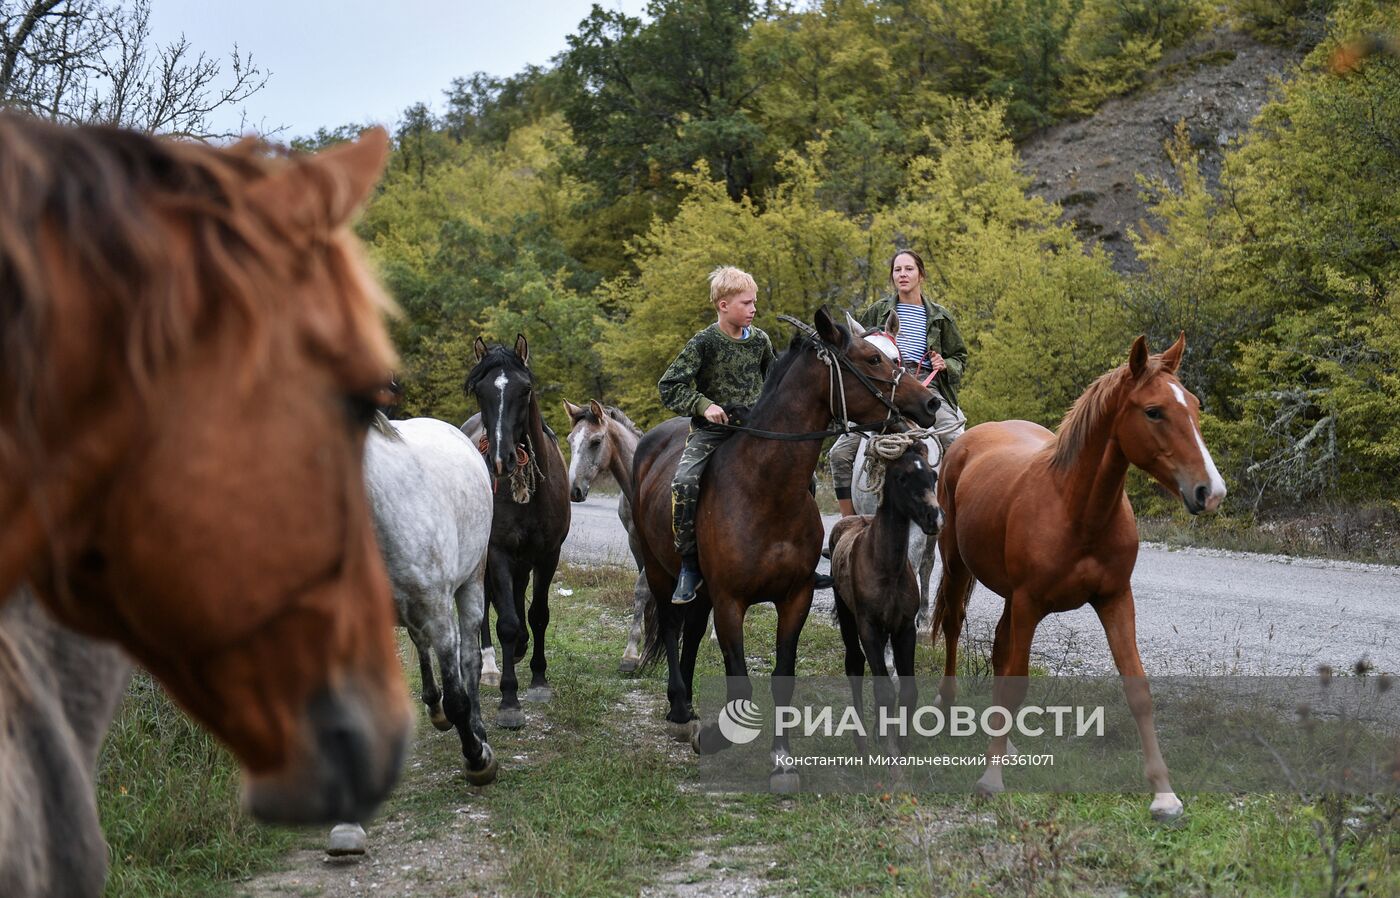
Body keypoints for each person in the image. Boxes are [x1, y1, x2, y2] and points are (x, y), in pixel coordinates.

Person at [658, 266, 777, 604]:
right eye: (747, 303)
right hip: (711, 434)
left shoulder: (762, 342)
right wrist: (703, 404)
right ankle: (689, 563)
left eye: (755, 302)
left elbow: (775, 386)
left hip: (754, 434)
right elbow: (669, 386)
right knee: (683, 481)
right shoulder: (704, 342)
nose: (754, 309)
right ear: (723, 305)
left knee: (804, 478)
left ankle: (796, 557)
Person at [829, 249, 968, 516]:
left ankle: (958, 518)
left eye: (909, 269)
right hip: (881, 389)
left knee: (957, 443)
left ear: (921, 274)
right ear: (892, 276)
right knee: (839, 455)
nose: (903, 274)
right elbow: (856, 351)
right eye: (897, 270)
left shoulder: (940, 317)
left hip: (924, 387)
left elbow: (959, 357)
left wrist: (945, 364)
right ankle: (848, 525)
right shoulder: (877, 311)